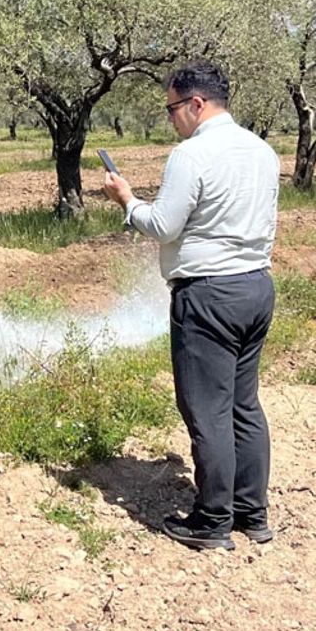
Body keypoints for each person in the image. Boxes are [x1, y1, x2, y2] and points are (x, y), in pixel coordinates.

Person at [103, 61, 279, 551]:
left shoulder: (192, 154)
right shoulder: (262, 150)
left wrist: (126, 200)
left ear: (197, 104)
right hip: (255, 287)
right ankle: (252, 513)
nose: (171, 118)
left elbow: (163, 226)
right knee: (244, 405)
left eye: (172, 109)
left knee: (207, 410)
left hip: (208, 294)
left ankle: (211, 521)